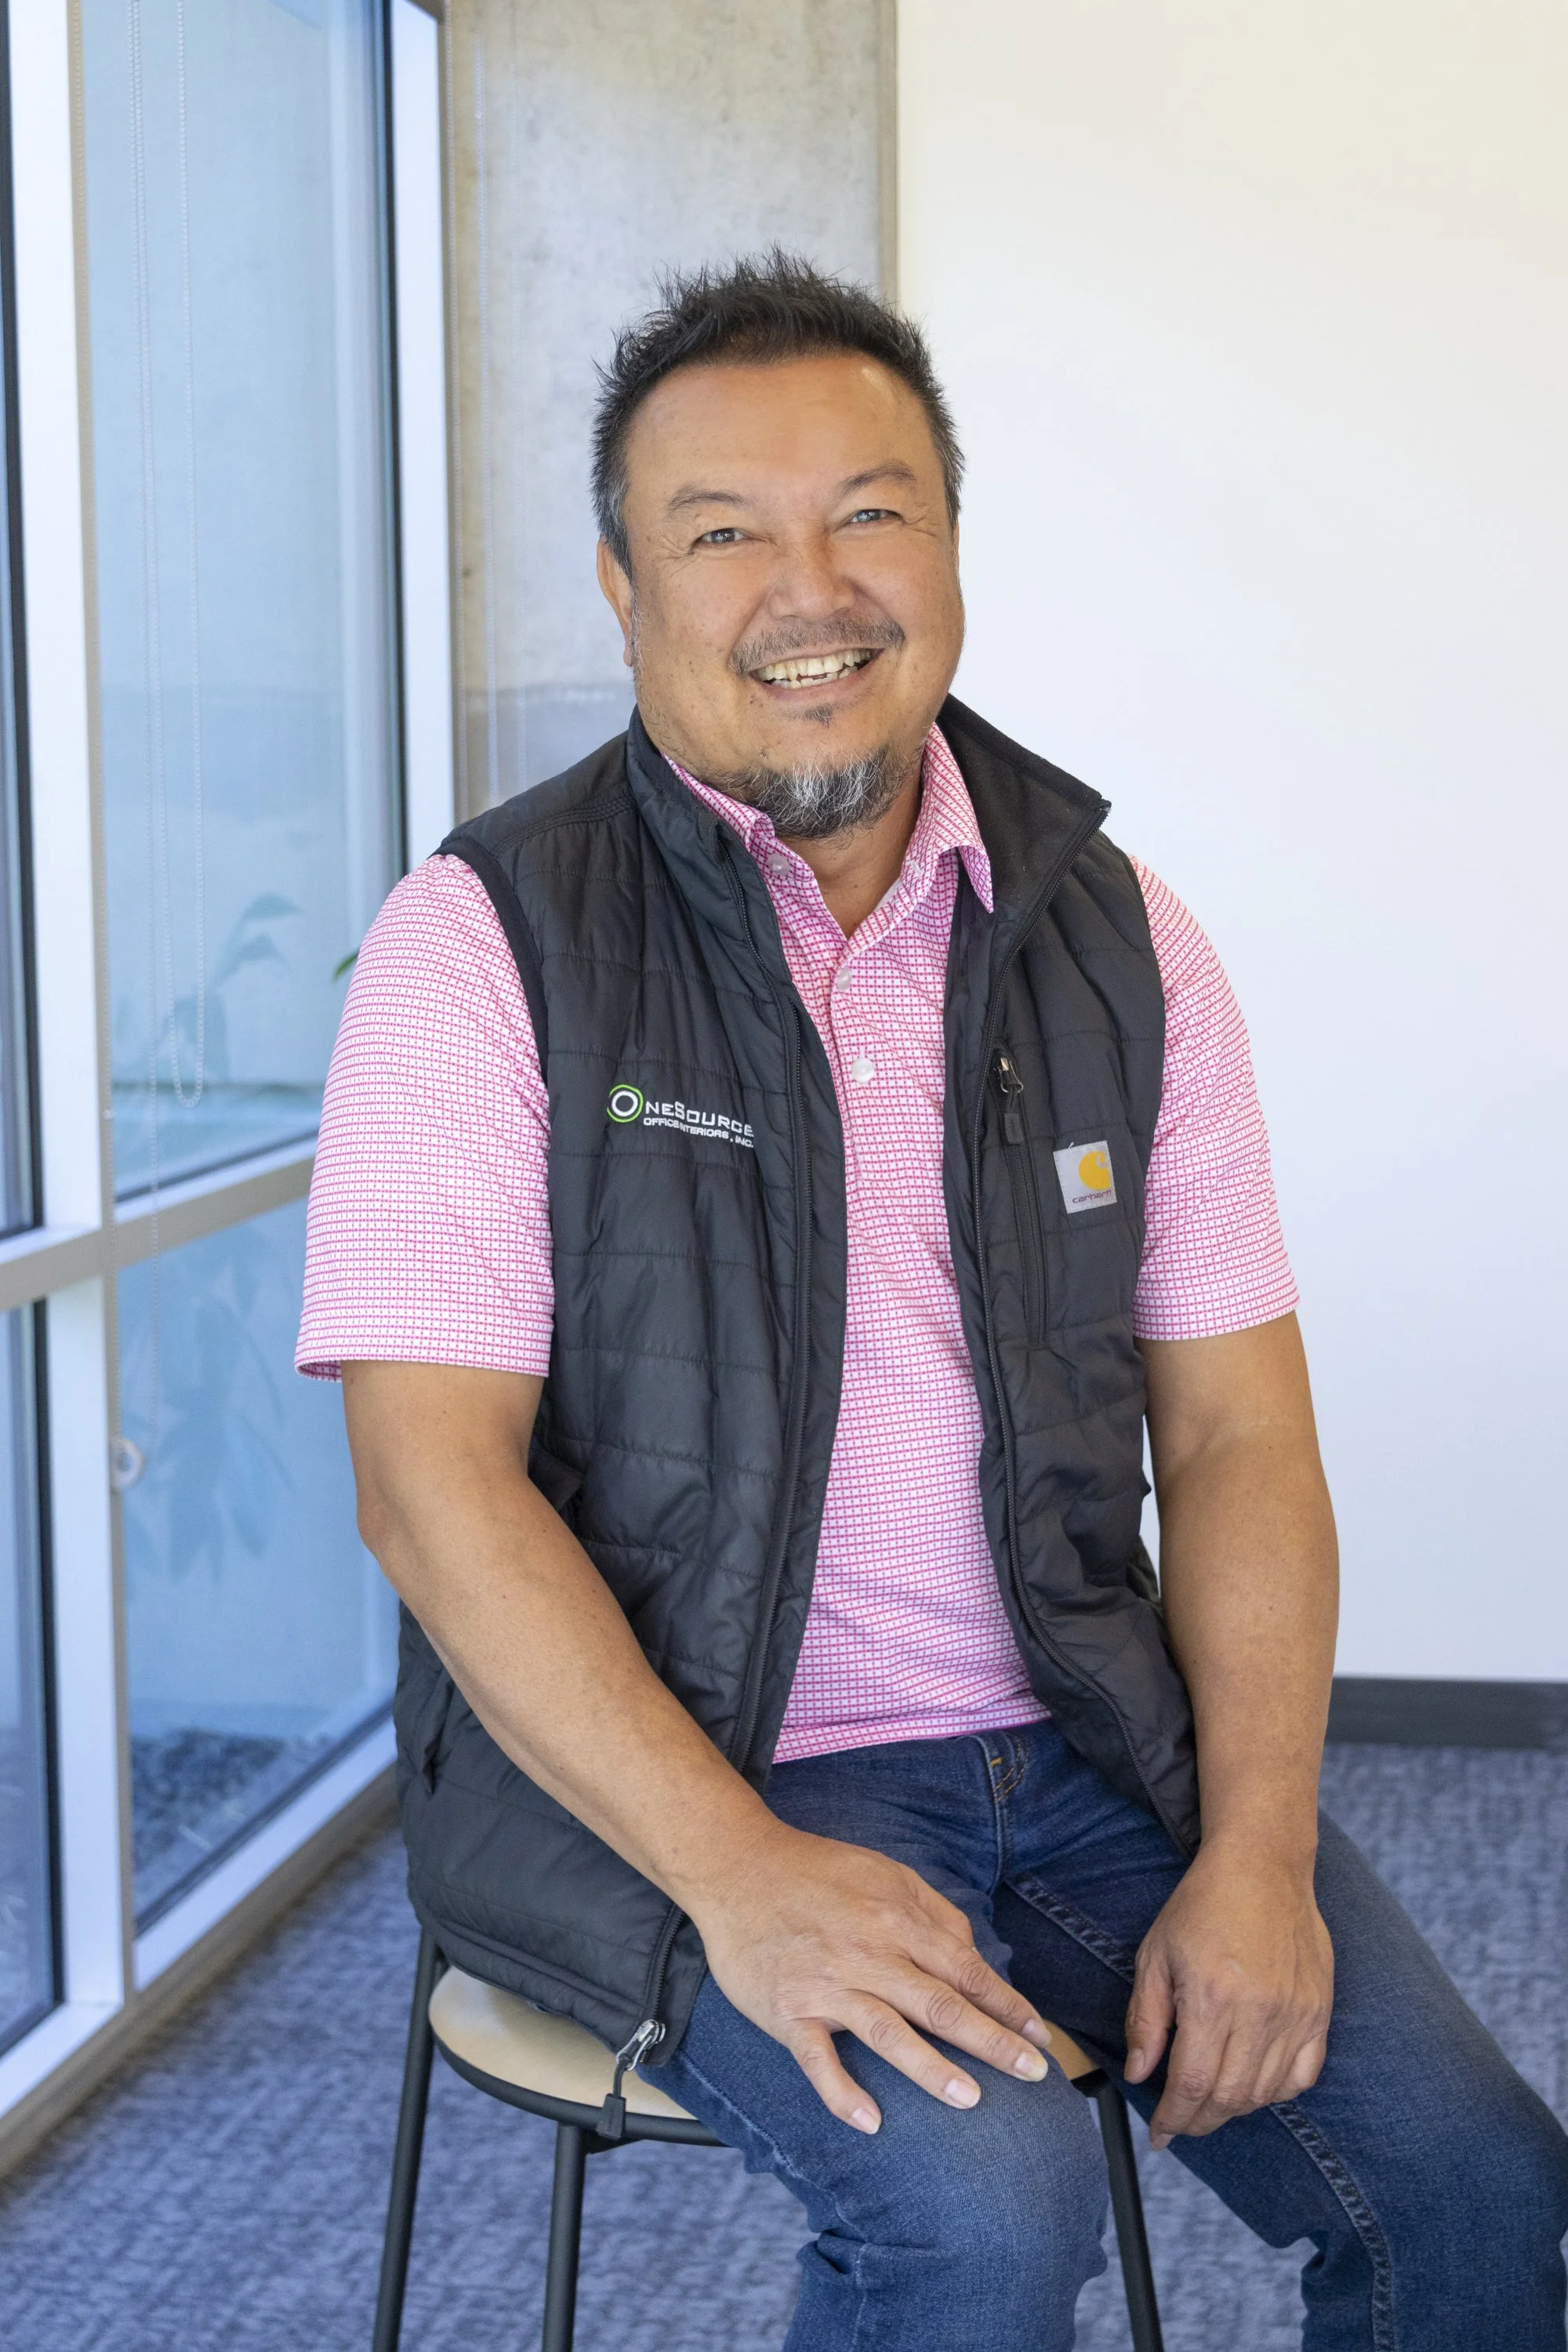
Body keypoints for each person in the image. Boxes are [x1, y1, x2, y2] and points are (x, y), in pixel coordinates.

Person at [298, 253, 1568, 2350]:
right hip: (695, 1762)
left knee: (1480, 2198)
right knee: (981, 2224)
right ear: (624, 588)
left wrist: (1254, 1851)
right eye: (725, 534)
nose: (812, 586)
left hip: (1081, 1741)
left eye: (870, 513)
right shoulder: (486, 944)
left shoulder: (1119, 934)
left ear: (954, 551)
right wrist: (739, 1871)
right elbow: (433, 1492)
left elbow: (1243, 1437)